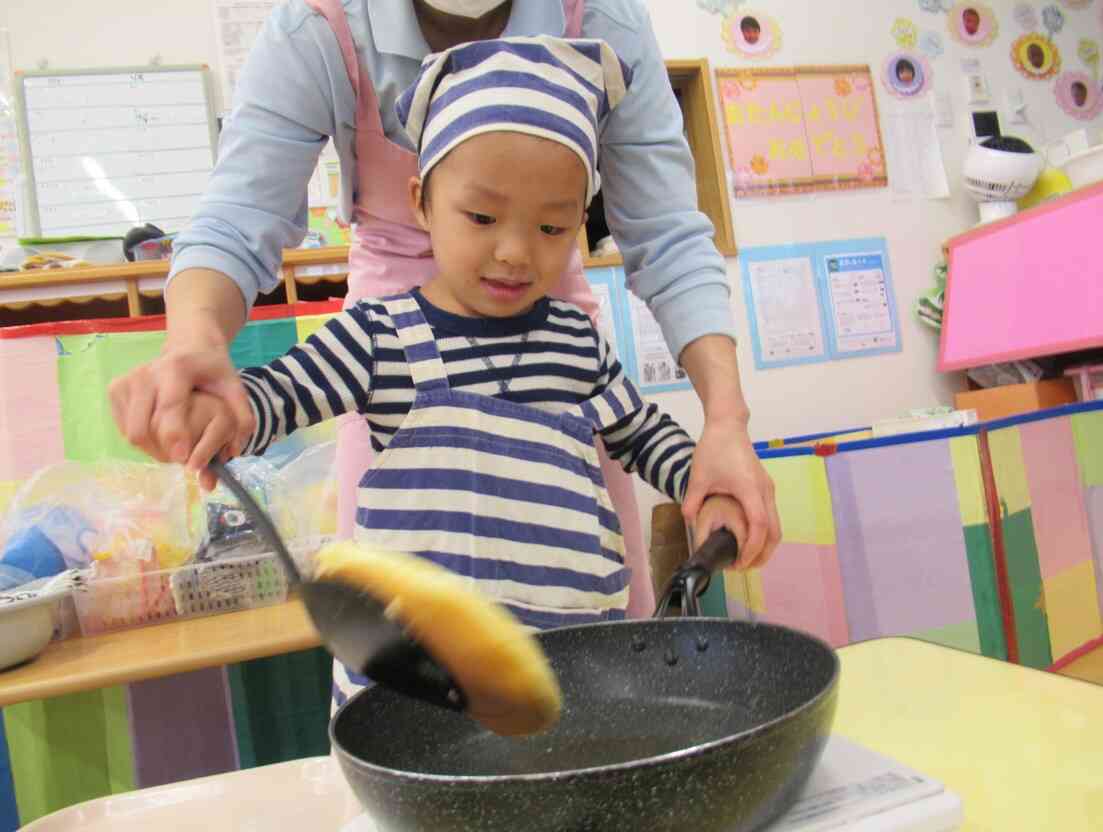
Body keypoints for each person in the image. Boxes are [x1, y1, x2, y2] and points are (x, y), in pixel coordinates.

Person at [107, 1, 782, 615]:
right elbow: (266, 387)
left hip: (568, 639)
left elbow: (636, 425)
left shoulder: (571, 343)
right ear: (421, 202)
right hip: (424, 649)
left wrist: (715, 448)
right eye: (482, 214)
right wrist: (202, 384)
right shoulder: (376, 338)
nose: (514, 253)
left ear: (579, 217)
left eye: (551, 226)